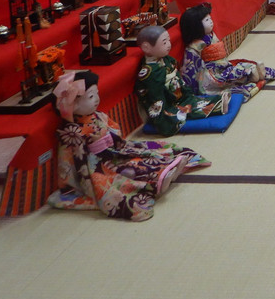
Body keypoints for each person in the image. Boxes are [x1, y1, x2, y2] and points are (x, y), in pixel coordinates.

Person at [47, 70, 209, 222]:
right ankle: (156, 180)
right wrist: (94, 144)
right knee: (123, 172)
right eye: (91, 97)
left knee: (142, 154)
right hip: (95, 165)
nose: (97, 99)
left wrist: (107, 136)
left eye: (96, 94)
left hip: (114, 150)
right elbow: (73, 161)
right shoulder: (70, 132)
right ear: (72, 105)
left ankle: (166, 169)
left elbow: (115, 129)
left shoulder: (98, 116)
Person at [135, 25, 228, 136]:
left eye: (168, 41)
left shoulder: (166, 59)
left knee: (194, 101)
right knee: (184, 111)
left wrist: (185, 91)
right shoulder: (149, 73)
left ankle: (218, 101)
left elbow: (179, 78)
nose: (169, 45)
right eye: (164, 43)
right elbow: (155, 98)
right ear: (146, 47)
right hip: (168, 103)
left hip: (178, 95)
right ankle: (218, 106)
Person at [180, 3, 275, 99]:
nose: (211, 21)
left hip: (224, 64)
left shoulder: (210, 35)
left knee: (242, 66)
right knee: (231, 76)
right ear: (196, 26)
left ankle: (255, 72)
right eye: (207, 20)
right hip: (213, 72)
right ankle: (253, 76)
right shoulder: (194, 46)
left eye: (210, 18)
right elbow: (192, 68)